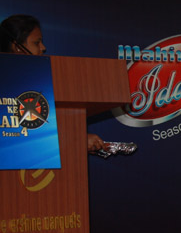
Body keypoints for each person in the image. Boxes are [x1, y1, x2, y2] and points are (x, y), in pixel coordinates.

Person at [0, 14, 108, 154]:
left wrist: (77, 141)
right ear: (17, 47)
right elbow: (20, 134)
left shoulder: (43, 82)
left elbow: (44, 129)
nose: (43, 48)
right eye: (36, 43)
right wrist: (77, 140)